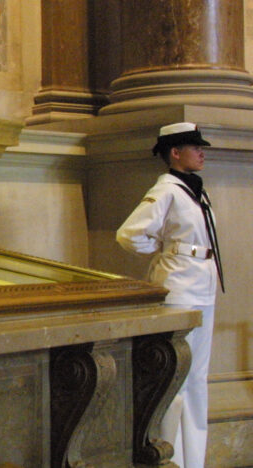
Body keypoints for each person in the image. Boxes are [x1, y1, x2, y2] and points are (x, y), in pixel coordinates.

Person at [116, 122, 223, 468]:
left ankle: (195, 461)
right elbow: (130, 235)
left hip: (203, 285)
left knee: (197, 380)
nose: (202, 152)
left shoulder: (196, 190)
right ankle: (170, 459)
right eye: (195, 147)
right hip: (179, 286)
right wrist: (163, 250)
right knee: (176, 378)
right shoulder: (167, 190)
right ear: (175, 153)